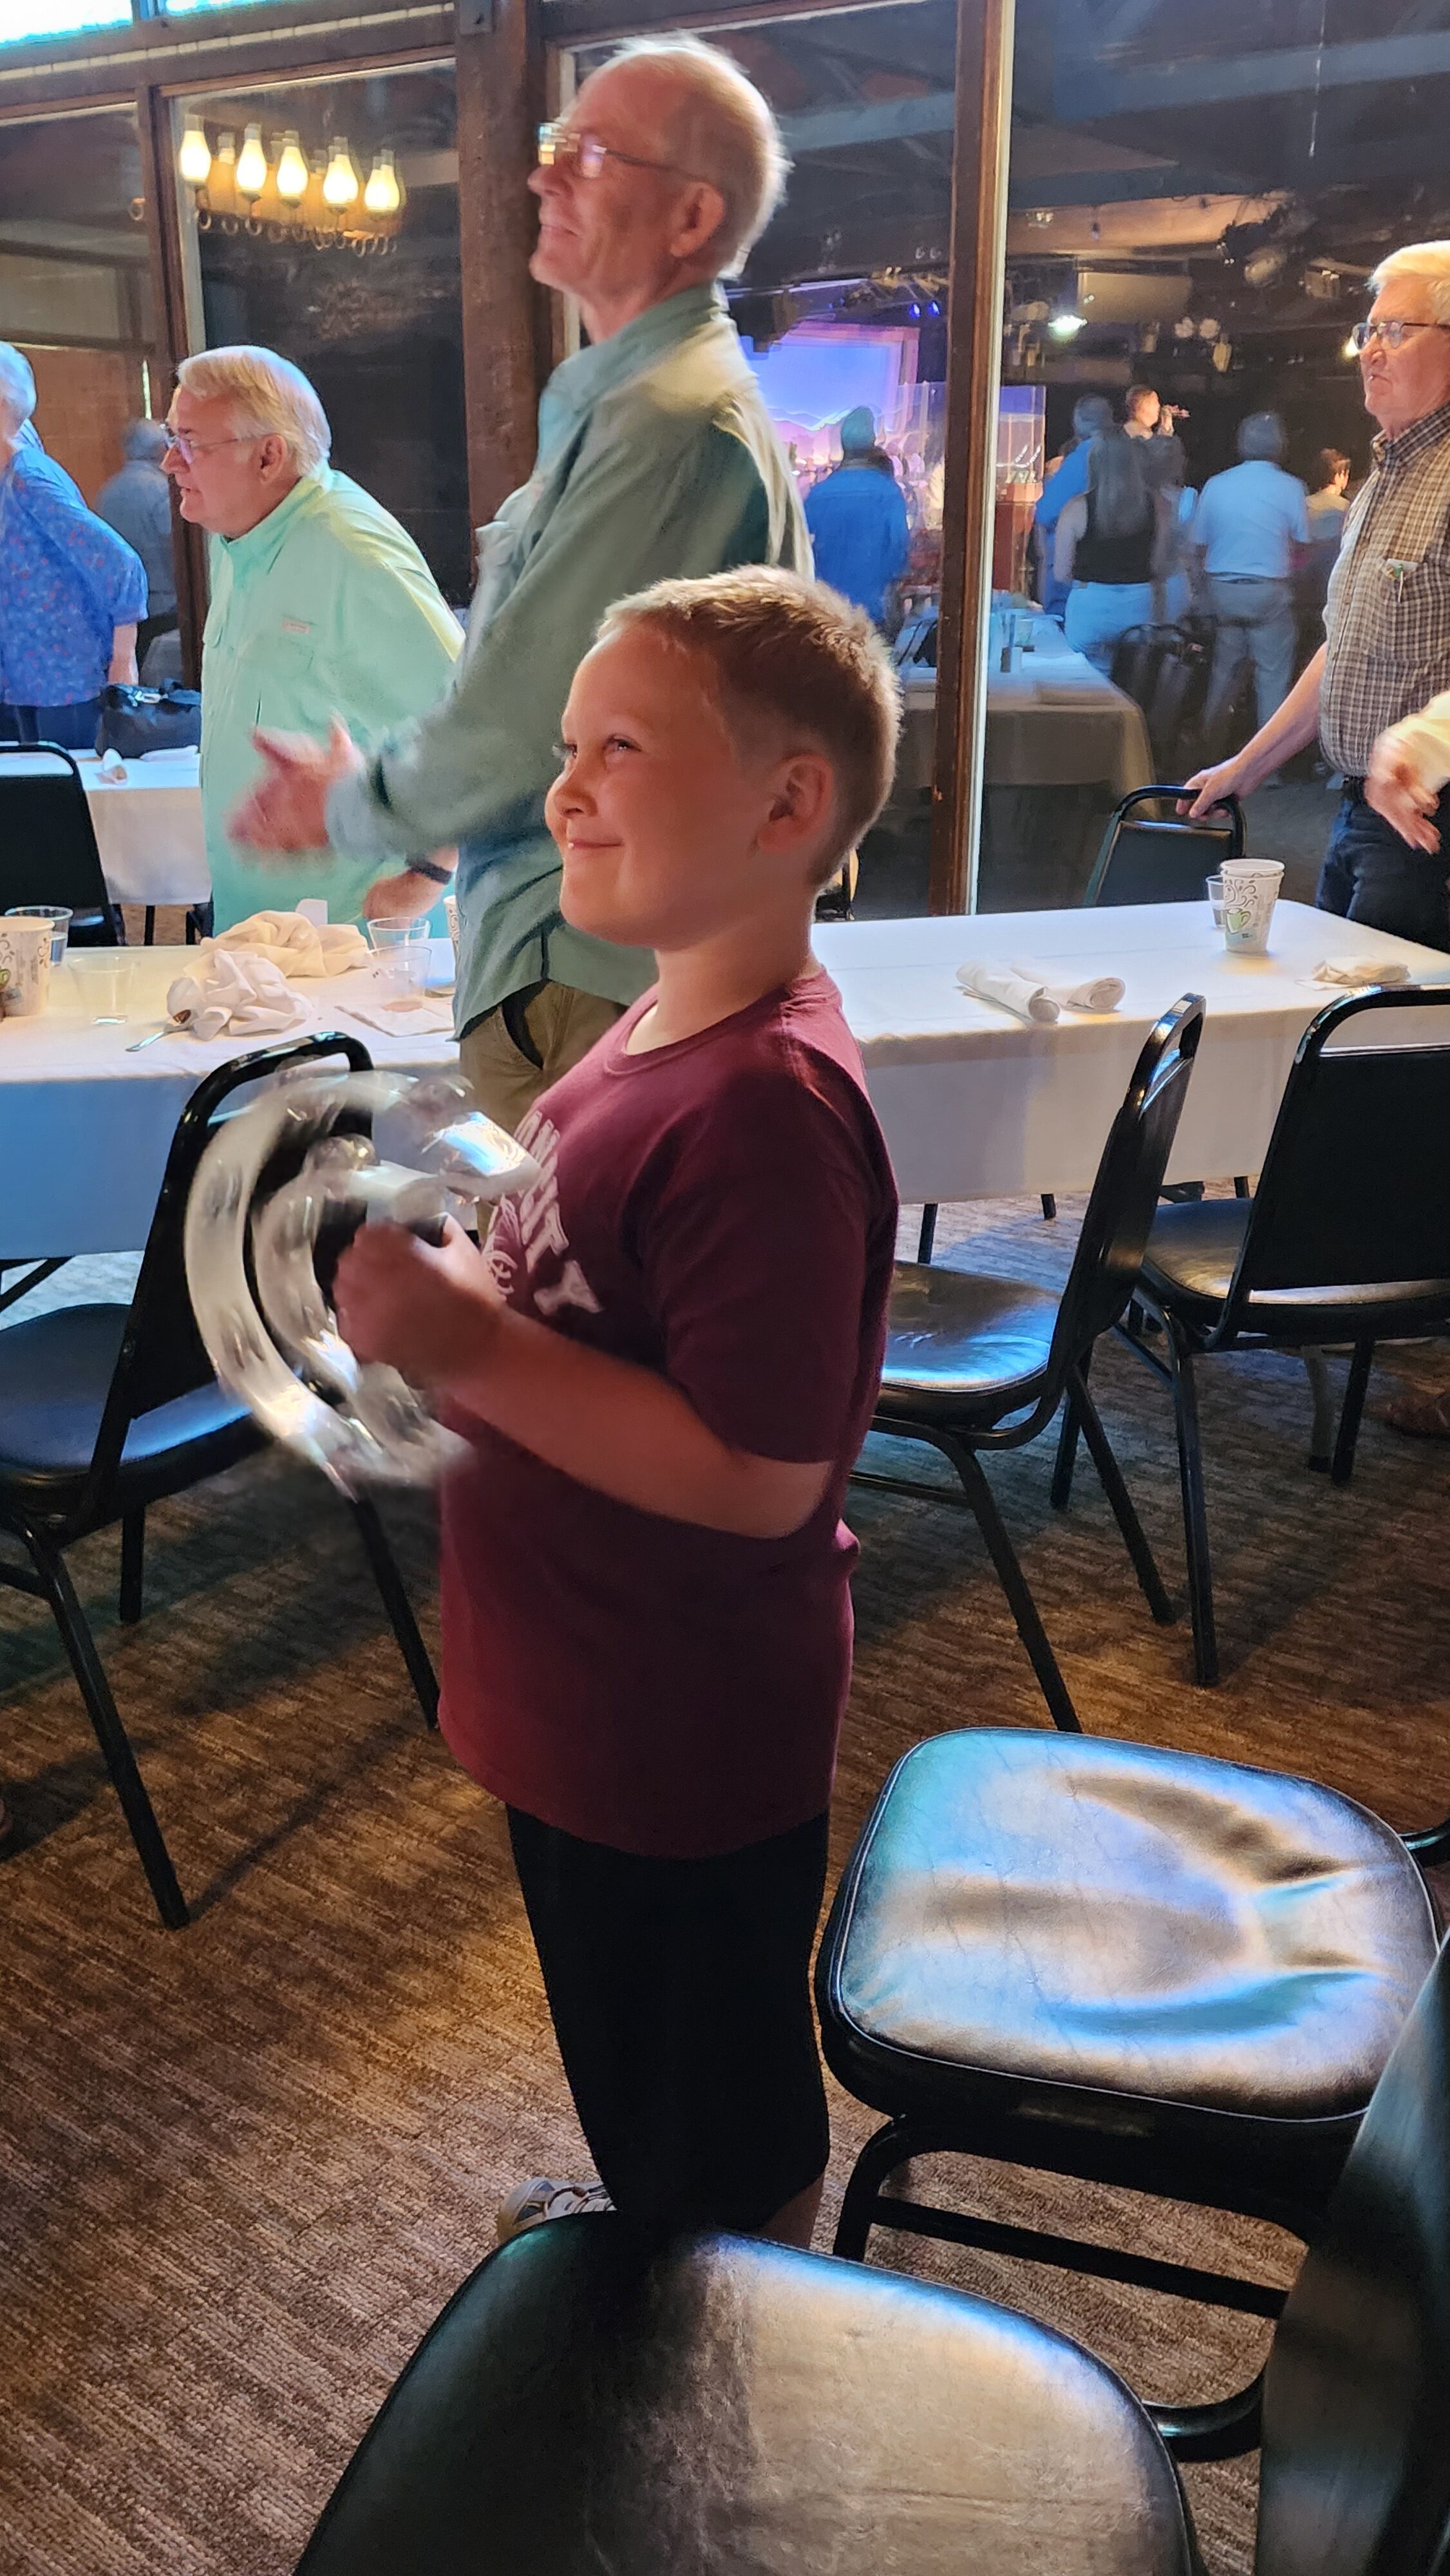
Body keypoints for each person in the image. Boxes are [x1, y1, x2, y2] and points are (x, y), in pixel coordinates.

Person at [332, 568, 899, 2249]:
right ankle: (669, 2229)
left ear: (785, 803)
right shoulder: (653, 1022)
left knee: (710, 2086)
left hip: (673, 1720)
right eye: (564, 746)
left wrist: (473, 1348)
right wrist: (473, 1247)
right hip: (580, 1681)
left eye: (619, 748)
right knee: (632, 2048)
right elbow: (588, 1257)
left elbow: (758, 1477)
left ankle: (740, 2325)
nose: (561, 786)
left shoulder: (763, 1107)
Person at [229, 39, 807, 1135]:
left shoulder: (668, 423)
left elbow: (539, 715)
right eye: (554, 146)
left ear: (690, 219)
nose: (542, 175)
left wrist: (354, 804)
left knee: (554, 1304)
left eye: (588, 155)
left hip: (589, 969)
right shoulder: (633, 404)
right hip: (583, 956)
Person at [1185, 241, 1450, 950]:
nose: (1370, 350)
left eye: (1396, 330)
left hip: (1426, 824)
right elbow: (1346, 649)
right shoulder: (1382, 477)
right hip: (1361, 809)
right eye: (1368, 331)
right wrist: (1248, 766)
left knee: (1388, 1048)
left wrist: (1420, 746)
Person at [164, 345, 462, 933]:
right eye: (171, 437)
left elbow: (481, 728)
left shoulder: (353, 552)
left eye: (192, 442)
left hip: (349, 945)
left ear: (269, 455)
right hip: (258, 934)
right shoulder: (241, 540)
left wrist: (427, 877)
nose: (172, 462)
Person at [0, 343, 146, 750]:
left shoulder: (29, 477)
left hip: (69, 680)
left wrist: (123, 660)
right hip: (26, 681)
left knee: (74, 803)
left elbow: (121, 562)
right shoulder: (10, 479)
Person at [1187, 413, 1308, 753]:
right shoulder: (1291, 487)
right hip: (1269, 592)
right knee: (1272, 677)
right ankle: (1267, 762)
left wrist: (1202, 591)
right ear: (1280, 446)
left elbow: (1198, 546)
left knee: (1224, 672)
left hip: (1223, 590)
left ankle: (1207, 751)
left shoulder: (1217, 483)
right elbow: (1301, 545)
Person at [1054, 426, 1172, 673]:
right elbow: (1159, 567)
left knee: (1082, 678)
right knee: (1132, 680)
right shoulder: (1158, 505)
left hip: (1091, 603)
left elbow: (1061, 573)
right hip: (1138, 602)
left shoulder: (1077, 508)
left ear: (1093, 462)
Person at [803, 404, 909, 627]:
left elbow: (803, 549)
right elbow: (899, 548)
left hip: (827, 611)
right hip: (873, 610)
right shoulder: (888, 493)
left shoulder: (818, 495)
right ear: (872, 440)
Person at [97, 420, 178, 667]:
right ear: (160, 450)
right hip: (164, 609)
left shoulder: (107, 492)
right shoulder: (163, 492)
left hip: (121, 610)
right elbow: (176, 551)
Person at [1032, 392, 1113, 618]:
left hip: (1075, 580)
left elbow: (1046, 512)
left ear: (1078, 422)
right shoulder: (1125, 456)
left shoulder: (1083, 457)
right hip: (1118, 582)